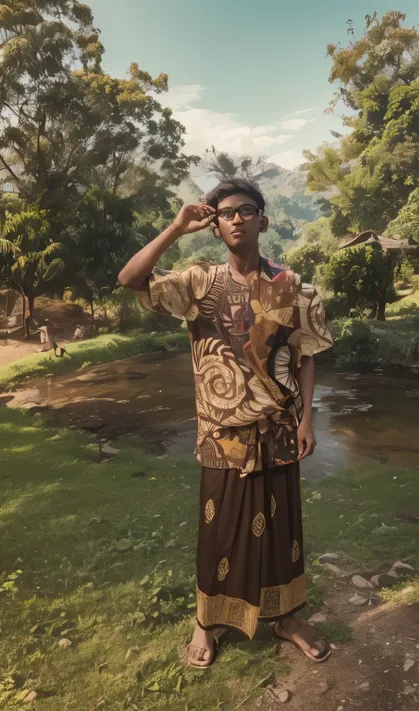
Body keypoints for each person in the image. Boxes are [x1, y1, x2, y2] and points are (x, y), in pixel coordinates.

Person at [118, 179, 333, 668]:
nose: (237, 217)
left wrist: (306, 420)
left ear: (263, 220)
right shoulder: (198, 284)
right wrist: (176, 227)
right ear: (215, 226)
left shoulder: (292, 286)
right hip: (221, 434)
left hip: (279, 429)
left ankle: (287, 617)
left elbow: (305, 358)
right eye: (226, 212)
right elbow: (130, 279)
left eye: (247, 210)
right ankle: (207, 621)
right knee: (219, 532)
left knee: (284, 530)